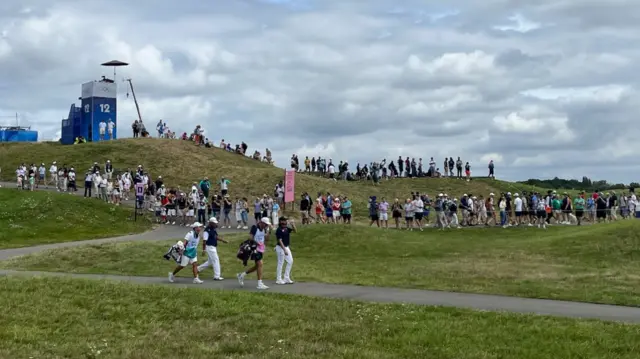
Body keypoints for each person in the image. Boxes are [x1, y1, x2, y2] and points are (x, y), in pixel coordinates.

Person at [237, 217, 271, 290]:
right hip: (254, 248)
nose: (266, 226)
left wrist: (269, 231)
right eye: (265, 224)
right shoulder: (254, 227)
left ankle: (242, 275)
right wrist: (257, 243)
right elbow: (251, 238)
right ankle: (259, 283)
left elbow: (267, 240)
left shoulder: (265, 229)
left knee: (257, 266)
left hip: (261, 249)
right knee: (260, 264)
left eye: (267, 225)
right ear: (261, 223)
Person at [275, 216, 297, 285]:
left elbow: (295, 231)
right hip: (280, 247)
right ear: (281, 221)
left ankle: (286, 277)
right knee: (280, 263)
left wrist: (293, 224)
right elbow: (280, 240)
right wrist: (284, 250)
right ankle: (278, 279)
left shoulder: (286, 228)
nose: (286, 221)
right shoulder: (279, 229)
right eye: (284, 220)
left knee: (290, 261)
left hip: (286, 247)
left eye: (286, 220)